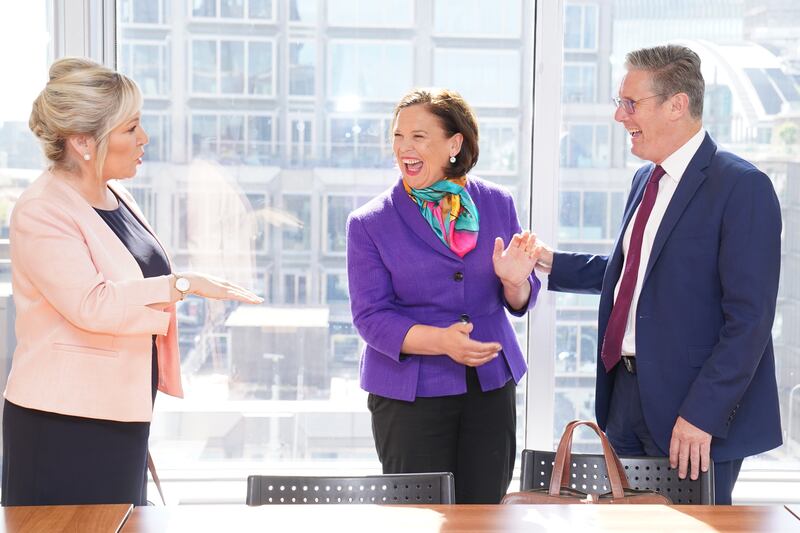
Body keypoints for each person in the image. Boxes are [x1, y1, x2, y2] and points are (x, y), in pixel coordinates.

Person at [1, 57, 262, 507]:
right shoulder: (41, 209)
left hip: (117, 409)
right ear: (84, 141)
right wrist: (182, 286)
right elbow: (92, 303)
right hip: (65, 420)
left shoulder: (114, 193)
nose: (144, 139)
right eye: (130, 128)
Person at [533, 44, 782, 505]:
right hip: (625, 395)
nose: (619, 116)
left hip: (691, 410)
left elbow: (749, 321)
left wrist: (703, 413)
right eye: (619, 103)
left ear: (677, 105)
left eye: (631, 103)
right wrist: (548, 261)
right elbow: (635, 275)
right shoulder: (645, 181)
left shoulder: (742, 186)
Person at [346, 88, 541, 504]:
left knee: (485, 512)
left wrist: (512, 281)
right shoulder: (368, 223)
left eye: (419, 136)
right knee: (419, 516)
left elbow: (521, 297)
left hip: (488, 386)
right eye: (398, 136)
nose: (404, 148)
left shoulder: (496, 203)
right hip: (409, 392)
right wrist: (442, 343)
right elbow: (370, 317)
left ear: (455, 144)